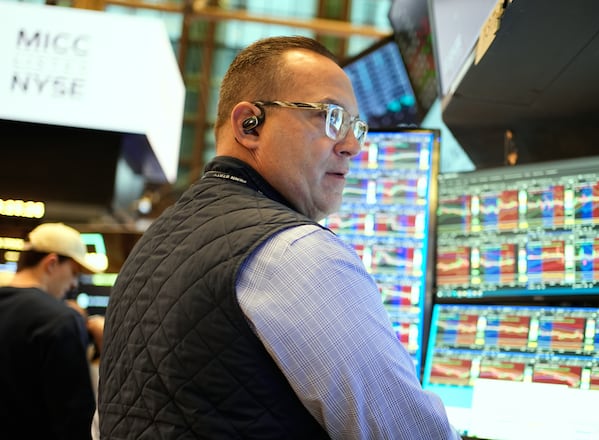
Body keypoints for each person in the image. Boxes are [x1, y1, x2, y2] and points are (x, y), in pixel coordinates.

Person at [98, 36, 459, 439]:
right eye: (331, 117)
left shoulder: (151, 247)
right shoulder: (298, 254)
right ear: (249, 125)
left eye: (357, 126)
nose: (353, 146)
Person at [0, 222, 105, 439]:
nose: (74, 284)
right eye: (74, 273)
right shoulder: (60, 320)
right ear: (51, 263)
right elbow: (75, 421)